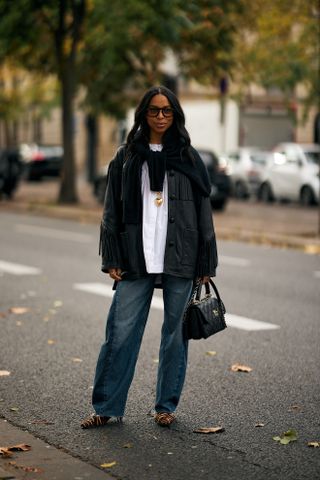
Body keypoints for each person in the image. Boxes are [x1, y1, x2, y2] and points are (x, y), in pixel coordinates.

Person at [81, 86, 218, 429]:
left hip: (182, 256)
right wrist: (111, 255)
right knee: (121, 331)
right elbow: (111, 209)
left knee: (175, 334)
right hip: (135, 257)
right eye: (154, 111)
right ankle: (106, 406)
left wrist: (205, 262)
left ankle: (166, 405)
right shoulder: (126, 156)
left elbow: (204, 213)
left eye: (167, 111)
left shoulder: (189, 157)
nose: (160, 116)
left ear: (175, 115)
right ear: (143, 114)